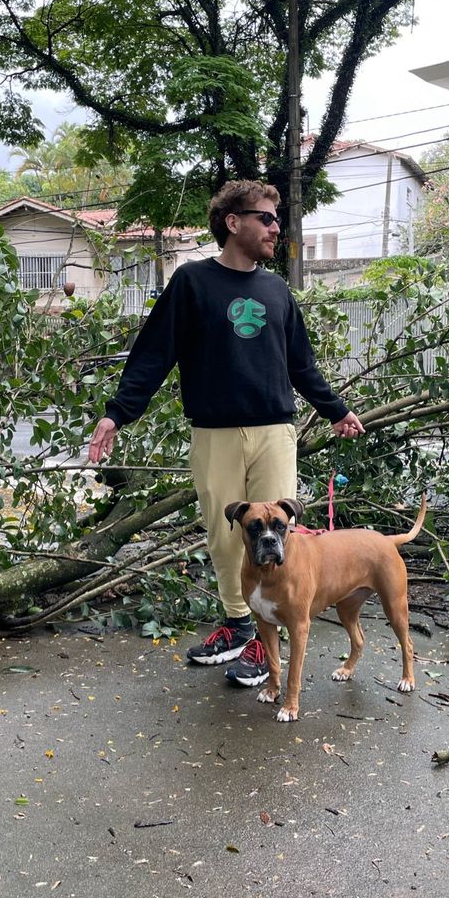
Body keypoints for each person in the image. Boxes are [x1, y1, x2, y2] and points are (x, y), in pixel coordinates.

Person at [88, 179, 365, 686]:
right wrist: (117, 414)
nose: (275, 228)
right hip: (214, 431)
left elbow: (301, 365)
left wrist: (336, 411)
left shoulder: (277, 289)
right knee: (225, 538)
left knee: (278, 535)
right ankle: (240, 625)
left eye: (277, 220)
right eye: (266, 218)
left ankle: (267, 647)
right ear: (233, 222)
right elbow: (153, 355)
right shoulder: (193, 283)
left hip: (274, 430)